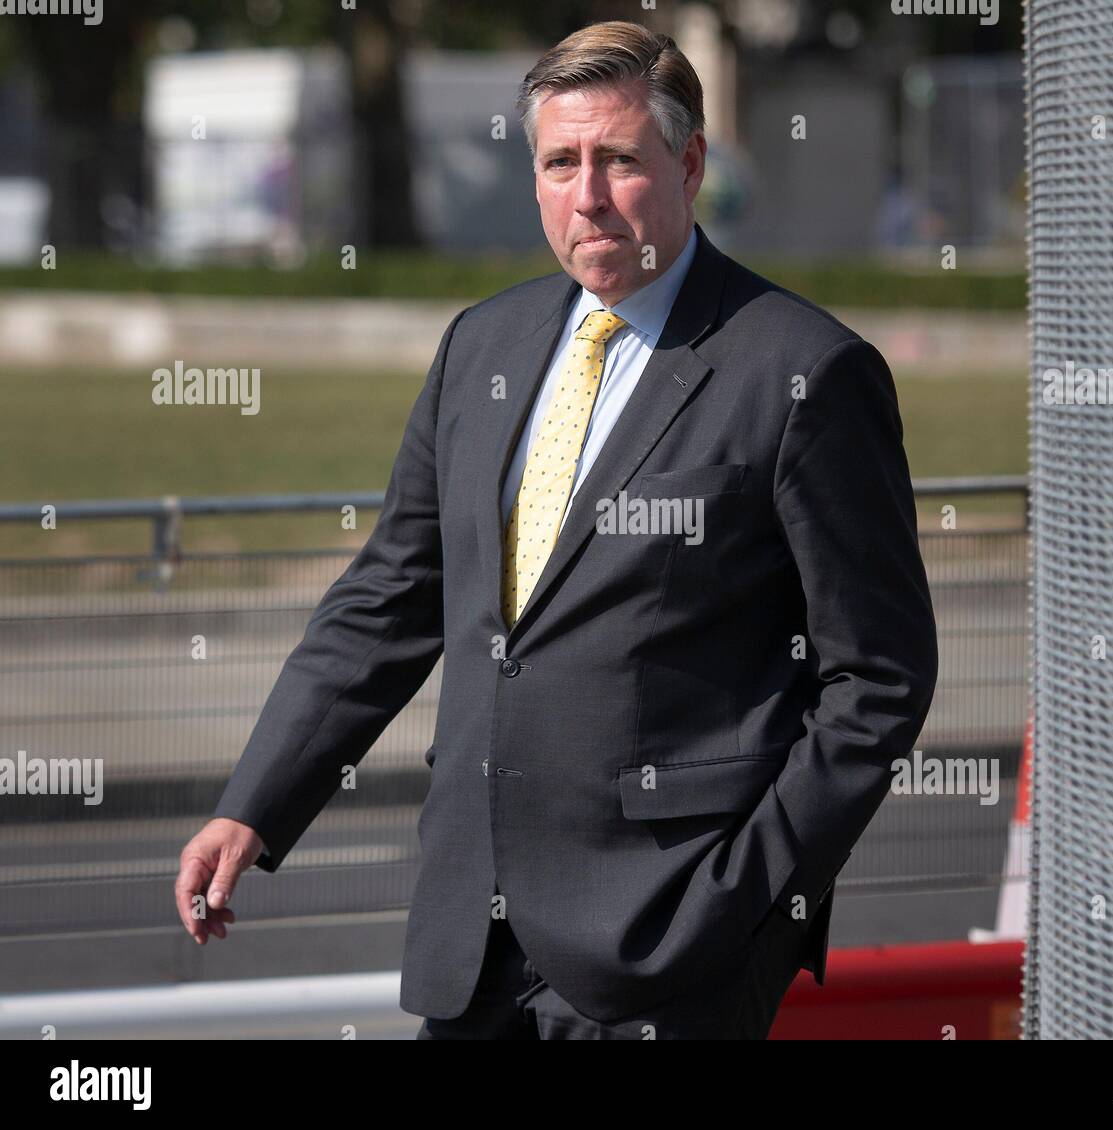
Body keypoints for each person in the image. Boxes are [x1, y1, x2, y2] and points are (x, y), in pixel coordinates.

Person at [174, 19, 938, 1040]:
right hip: (470, 941)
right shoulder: (481, 345)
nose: (587, 194)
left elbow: (879, 676)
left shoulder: (801, 371)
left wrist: (738, 901)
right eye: (559, 161)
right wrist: (254, 803)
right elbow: (392, 593)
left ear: (690, 162)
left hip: (674, 954)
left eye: (619, 159)